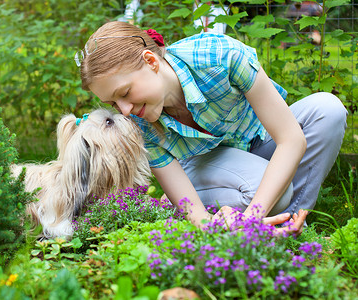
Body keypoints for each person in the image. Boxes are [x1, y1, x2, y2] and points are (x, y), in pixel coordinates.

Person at [75, 21, 347, 232]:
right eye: (113, 103)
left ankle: (290, 225)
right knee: (273, 193)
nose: (124, 110)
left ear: (150, 61)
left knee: (327, 110)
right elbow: (194, 212)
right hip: (207, 171)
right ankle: (263, 227)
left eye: (124, 93)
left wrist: (252, 217)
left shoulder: (219, 57)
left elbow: (291, 140)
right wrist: (238, 220)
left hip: (258, 141)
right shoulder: (138, 122)